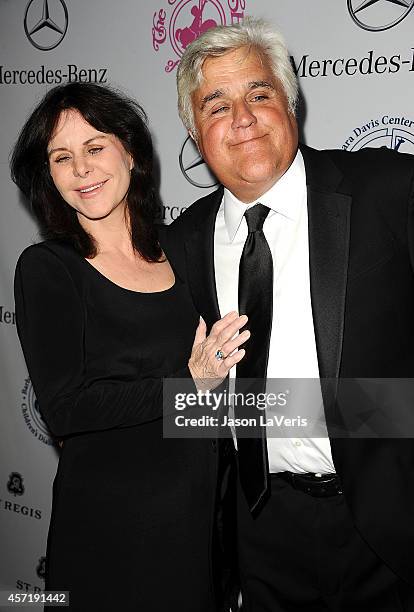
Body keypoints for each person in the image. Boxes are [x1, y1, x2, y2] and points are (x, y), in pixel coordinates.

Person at [168, 16, 414, 611]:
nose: (242, 119)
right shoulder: (180, 244)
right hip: (257, 533)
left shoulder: (388, 189)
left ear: (291, 104)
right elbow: (181, 406)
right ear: (196, 133)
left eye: (259, 94)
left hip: (391, 528)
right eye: (216, 106)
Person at [11, 82, 250, 611]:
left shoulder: (183, 249)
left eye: (95, 148)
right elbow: (65, 407)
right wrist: (186, 389)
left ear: (131, 152)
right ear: (47, 176)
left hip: (201, 516)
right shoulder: (48, 269)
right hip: (114, 525)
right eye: (61, 158)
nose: (81, 169)